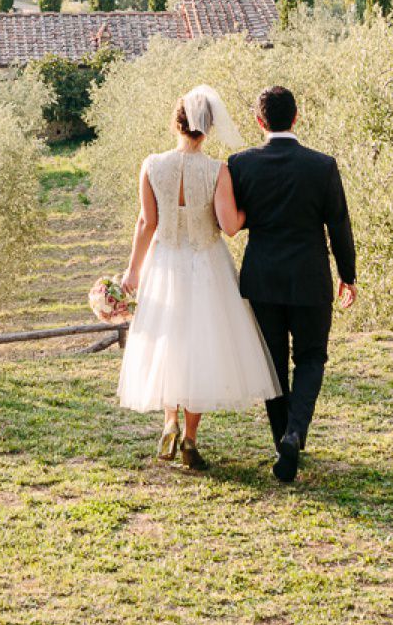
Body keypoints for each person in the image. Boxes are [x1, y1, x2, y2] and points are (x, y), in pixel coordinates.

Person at [118, 86, 281, 472]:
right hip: (206, 266)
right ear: (207, 128)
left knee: (170, 343)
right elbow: (228, 226)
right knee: (203, 348)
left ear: (176, 123)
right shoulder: (217, 170)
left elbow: (147, 223)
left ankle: (169, 424)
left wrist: (133, 270)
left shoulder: (152, 165)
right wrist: (251, 212)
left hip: (164, 263)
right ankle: (190, 437)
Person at [228, 86, 357, 483]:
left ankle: (281, 439)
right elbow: (339, 223)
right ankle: (295, 432)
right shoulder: (322, 166)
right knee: (312, 357)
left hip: (262, 279)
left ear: (259, 121)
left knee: (272, 364)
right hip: (309, 277)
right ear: (296, 118)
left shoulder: (240, 164)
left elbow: (234, 219)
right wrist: (347, 275)